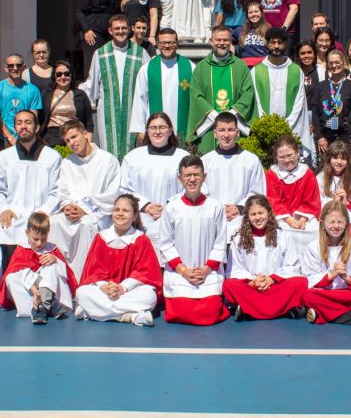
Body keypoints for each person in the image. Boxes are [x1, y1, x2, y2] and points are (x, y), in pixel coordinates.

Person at [157, 155, 230, 325]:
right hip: (181, 272)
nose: (192, 179)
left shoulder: (215, 206)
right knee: (180, 312)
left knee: (210, 313)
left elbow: (220, 243)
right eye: (187, 175)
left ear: (204, 177)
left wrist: (206, 270)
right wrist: (183, 271)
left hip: (207, 272)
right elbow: (166, 244)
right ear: (179, 178)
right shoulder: (172, 207)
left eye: (196, 175)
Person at [0, 110, 61, 264]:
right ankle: (10, 279)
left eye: (27, 122)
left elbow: (57, 191)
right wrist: (3, 209)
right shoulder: (4, 157)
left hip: (42, 212)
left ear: (37, 127)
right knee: (5, 229)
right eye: (19, 123)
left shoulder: (52, 157)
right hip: (13, 213)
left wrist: (43, 212)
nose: (23, 126)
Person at [75, 194, 162, 326]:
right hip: (105, 291)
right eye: (117, 210)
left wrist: (122, 288)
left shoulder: (141, 239)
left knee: (149, 296)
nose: (120, 214)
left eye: (125, 211)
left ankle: (93, 312)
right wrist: (104, 287)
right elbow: (94, 272)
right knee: (81, 293)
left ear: (134, 216)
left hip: (129, 291)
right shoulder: (101, 238)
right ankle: (129, 316)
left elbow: (144, 273)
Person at [51, 120, 121, 276]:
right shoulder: (67, 163)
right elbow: (63, 192)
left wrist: (85, 208)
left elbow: (112, 194)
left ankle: (85, 276)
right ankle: (59, 276)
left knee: (87, 225)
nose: (72, 143)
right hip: (72, 213)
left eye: (74, 137)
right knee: (54, 223)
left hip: (97, 213)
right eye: (67, 141)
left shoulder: (108, 160)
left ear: (85, 134)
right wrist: (67, 205)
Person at [223, 195, 308, 321]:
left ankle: (249, 309)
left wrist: (271, 279)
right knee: (229, 285)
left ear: (269, 212)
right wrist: (253, 282)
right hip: (252, 287)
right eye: (253, 214)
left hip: (275, 286)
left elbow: (292, 267)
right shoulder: (239, 240)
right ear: (247, 217)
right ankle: (281, 309)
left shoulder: (283, 236)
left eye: (261, 213)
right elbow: (235, 269)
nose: (257, 218)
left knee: (300, 282)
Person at [79, 14, 147, 160]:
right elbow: (92, 85)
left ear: (129, 30)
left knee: (133, 155)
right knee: (108, 155)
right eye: (117, 28)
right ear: (110, 31)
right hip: (107, 113)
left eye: (123, 28)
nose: (121, 31)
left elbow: (147, 84)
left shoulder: (140, 53)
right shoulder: (101, 54)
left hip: (133, 113)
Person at [299, 201, 351, 326]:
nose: (336, 226)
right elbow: (310, 279)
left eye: (340, 222)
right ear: (323, 223)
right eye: (332, 222)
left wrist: (346, 277)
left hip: (347, 294)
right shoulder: (313, 247)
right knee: (307, 296)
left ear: (346, 224)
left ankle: (321, 312)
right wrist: (331, 275)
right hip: (325, 293)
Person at [120, 112, 190, 242]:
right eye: (153, 128)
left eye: (162, 127)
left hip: (173, 218)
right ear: (147, 131)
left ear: (170, 131)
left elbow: (192, 188)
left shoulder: (183, 157)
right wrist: (145, 205)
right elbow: (123, 188)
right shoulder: (133, 157)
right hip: (140, 219)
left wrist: (168, 207)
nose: (157, 132)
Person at [187, 25, 255, 154]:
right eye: (218, 40)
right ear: (211, 42)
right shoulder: (201, 68)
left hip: (235, 125)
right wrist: (214, 115)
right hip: (209, 126)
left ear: (230, 42)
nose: (222, 43)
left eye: (225, 40)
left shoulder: (241, 66)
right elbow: (196, 95)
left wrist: (231, 114)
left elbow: (248, 92)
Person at [0, 212, 78, 323]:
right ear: (27, 233)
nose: (39, 243)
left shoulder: (52, 249)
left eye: (43, 239)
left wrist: (56, 260)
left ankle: (42, 307)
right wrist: (35, 291)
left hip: (47, 286)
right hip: (31, 289)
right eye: (35, 239)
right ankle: (47, 306)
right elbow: (22, 272)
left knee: (51, 267)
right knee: (11, 278)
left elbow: (67, 274)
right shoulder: (22, 249)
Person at [201, 112, 266, 243]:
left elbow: (258, 192)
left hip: (242, 221)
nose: (226, 135)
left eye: (231, 130)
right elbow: (201, 192)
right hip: (213, 221)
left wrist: (239, 207)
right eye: (221, 130)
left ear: (237, 132)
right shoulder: (205, 161)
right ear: (215, 133)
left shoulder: (251, 160)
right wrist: (219, 209)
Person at [251, 27, 314, 153]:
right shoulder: (256, 71)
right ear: (267, 43)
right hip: (266, 129)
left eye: (280, 43)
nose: (276, 46)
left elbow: (299, 101)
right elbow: (256, 101)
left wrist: (286, 125)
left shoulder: (296, 70)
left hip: (292, 127)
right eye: (273, 42)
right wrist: (268, 124)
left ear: (285, 44)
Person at [129, 28, 195, 141]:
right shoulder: (147, 69)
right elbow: (140, 100)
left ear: (177, 43)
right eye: (163, 43)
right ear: (157, 44)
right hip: (156, 131)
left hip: (182, 128)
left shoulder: (190, 67)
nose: (167, 46)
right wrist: (140, 129)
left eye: (171, 42)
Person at [266, 135, 322, 251]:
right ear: (276, 157)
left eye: (290, 155)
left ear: (297, 153)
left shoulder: (307, 174)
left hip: (303, 217)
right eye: (282, 157)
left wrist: (302, 219)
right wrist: (289, 220)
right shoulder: (271, 175)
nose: (287, 160)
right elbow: (272, 200)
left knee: (314, 231)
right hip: (280, 218)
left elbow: (311, 201)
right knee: (282, 233)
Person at [317, 141, 351, 250]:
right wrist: (333, 204)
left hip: (349, 215)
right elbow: (317, 201)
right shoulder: (322, 178)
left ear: (348, 161)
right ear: (329, 159)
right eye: (335, 158)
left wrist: (347, 202)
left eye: (343, 159)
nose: (339, 162)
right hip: (329, 216)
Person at [311, 50, 351, 154]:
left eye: (337, 62)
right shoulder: (320, 86)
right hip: (325, 137)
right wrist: (319, 137)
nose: (334, 65)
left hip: (345, 136)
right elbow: (315, 114)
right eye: (331, 63)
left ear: (343, 63)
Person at [76, 0, 122, 72]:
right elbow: (79, 10)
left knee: (110, 65)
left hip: (111, 32)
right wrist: (86, 30)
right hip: (93, 32)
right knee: (92, 65)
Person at [0, 54, 45, 149]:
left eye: (18, 65)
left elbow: (33, 117)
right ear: (5, 68)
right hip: (4, 139)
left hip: (26, 138)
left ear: (24, 67)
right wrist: (10, 138)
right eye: (11, 66)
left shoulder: (32, 90)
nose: (15, 68)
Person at [40, 59, 93, 148]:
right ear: (54, 76)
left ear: (71, 75)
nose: (63, 77)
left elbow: (89, 121)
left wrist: (89, 142)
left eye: (67, 74)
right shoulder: (46, 94)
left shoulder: (80, 94)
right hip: (52, 137)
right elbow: (40, 118)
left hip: (74, 136)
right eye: (59, 74)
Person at [238, 1, 269, 67]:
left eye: (256, 11)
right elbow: (226, 37)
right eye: (250, 12)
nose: (253, 14)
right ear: (247, 15)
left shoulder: (269, 30)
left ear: (261, 13)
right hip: (245, 66)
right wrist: (230, 45)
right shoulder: (241, 30)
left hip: (263, 65)